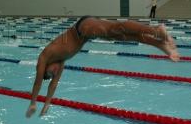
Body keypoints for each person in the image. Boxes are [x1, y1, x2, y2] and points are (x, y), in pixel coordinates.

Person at [26, 17, 179, 118]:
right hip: (87, 34)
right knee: (123, 36)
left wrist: (33, 102)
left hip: (83, 27)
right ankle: (160, 44)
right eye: (54, 74)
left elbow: (38, 82)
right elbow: (53, 85)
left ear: (46, 68)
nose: (55, 73)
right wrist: (46, 104)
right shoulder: (60, 61)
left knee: (117, 28)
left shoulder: (45, 57)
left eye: (50, 73)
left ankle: (156, 30)